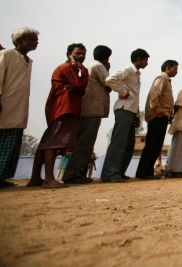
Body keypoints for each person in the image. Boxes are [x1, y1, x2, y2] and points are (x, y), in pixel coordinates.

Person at [28, 43, 89, 188]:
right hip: (64, 108)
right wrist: (83, 74)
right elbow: (78, 87)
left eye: (83, 54)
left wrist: (82, 75)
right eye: (78, 53)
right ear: (69, 54)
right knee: (53, 143)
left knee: (46, 143)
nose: (81, 56)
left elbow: (80, 89)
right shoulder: (67, 68)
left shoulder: (77, 70)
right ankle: (49, 179)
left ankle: (35, 178)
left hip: (66, 108)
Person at [62, 45, 112, 184]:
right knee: (85, 142)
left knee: (83, 141)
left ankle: (77, 173)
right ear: (107, 57)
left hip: (87, 108)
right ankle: (73, 174)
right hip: (92, 108)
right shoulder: (99, 66)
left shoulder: (90, 66)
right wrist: (108, 69)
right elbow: (109, 85)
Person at [101, 49, 150, 183]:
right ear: (139, 59)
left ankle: (119, 172)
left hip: (131, 110)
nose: (147, 63)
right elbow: (110, 79)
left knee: (128, 144)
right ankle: (110, 174)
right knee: (119, 142)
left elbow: (135, 95)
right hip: (124, 109)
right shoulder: (128, 70)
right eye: (146, 60)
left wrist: (137, 114)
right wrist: (123, 91)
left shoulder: (136, 74)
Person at [0, 27, 39, 187]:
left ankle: (3, 176)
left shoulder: (28, 61)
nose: (36, 42)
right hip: (5, 105)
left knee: (13, 141)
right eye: (31, 39)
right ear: (20, 41)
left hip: (19, 107)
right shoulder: (7, 55)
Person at [136, 60, 178, 179]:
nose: (176, 71)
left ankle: (147, 171)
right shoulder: (162, 78)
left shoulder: (167, 80)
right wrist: (158, 110)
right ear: (167, 68)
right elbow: (154, 94)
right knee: (152, 144)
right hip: (157, 116)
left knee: (156, 145)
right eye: (175, 68)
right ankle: (143, 172)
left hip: (163, 115)